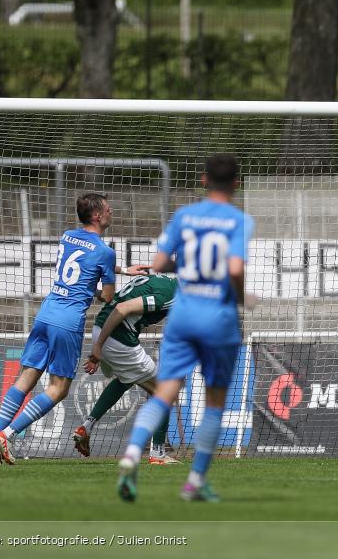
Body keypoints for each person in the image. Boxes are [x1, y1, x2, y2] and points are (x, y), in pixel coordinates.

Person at [117, 153, 255, 502]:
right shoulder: (239, 220)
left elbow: (161, 263)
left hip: (183, 314)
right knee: (214, 400)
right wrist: (241, 296)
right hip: (218, 318)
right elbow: (235, 269)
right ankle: (195, 481)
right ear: (237, 183)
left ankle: (132, 454)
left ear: (204, 180)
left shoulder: (184, 216)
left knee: (164, 391)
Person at [0, 194, 149, 465]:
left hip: (46, 313)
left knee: (25, 380)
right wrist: (106, 282)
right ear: (97, 216)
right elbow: (107, 296)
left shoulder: (68, 236)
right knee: (58, 389)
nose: (111, 212)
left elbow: (85, 261)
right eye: (107, 209)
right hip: (68, 321)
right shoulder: (105, 251)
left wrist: (123, 269)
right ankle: (6, 436)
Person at [72, 274, 179, 465]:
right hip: (115, 337)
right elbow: (123, 307)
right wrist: (98, 346)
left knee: (126, 379)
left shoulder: (161, 280)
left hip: (101, 327)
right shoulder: (172, 293)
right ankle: (158, 454)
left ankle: (87, 427)